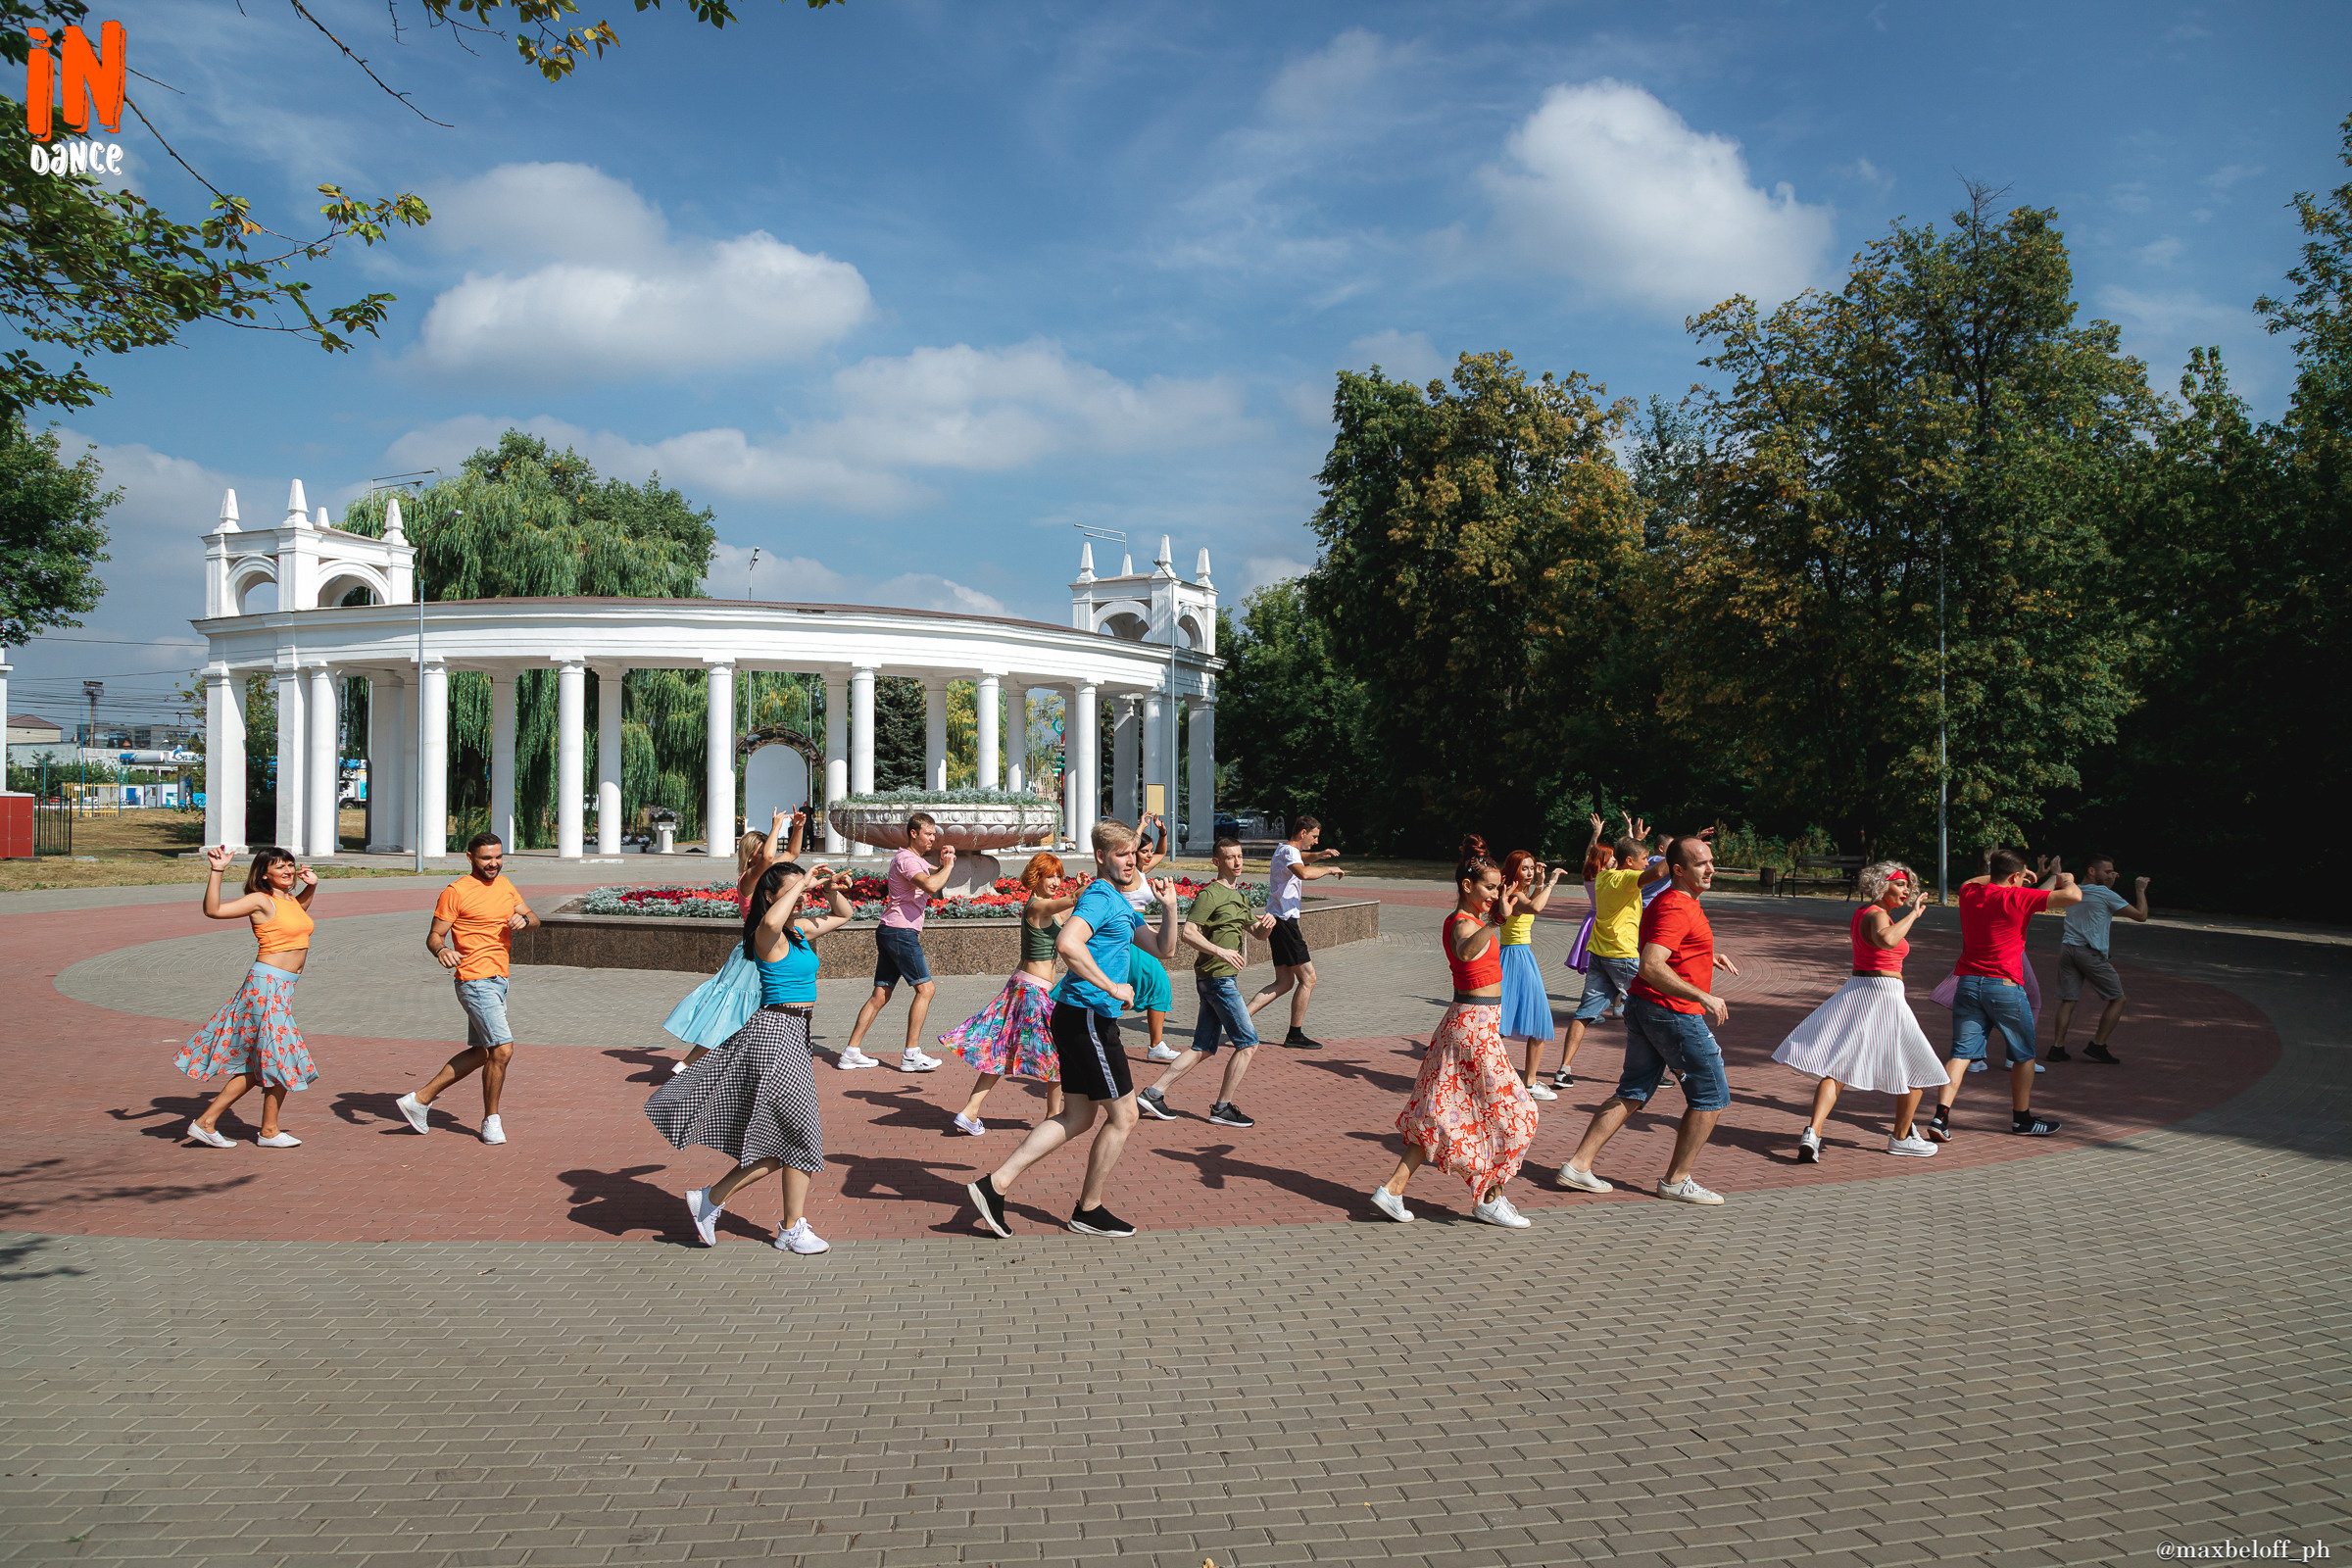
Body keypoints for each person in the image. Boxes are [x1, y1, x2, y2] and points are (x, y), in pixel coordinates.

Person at [964, 818, 1183, 1240]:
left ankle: (994, 1186)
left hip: (1083, 1017)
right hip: (1087, 1017)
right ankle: (1089, 1209)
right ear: (1101, 856)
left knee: (1078, 1115)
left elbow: (1164, 949)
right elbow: (1067, 944)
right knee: (1125, 1116)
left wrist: (1170, 906)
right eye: (1121, 853)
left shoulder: (1121, 903)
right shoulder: (1100, 897)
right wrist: (1112, 984)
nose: (1130, 860)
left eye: (1134, 852)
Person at [649, 859, 857, 1254]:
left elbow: (842, 915)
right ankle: (779, 1223)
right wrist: (802, 885)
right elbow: (770, 924)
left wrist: (828, 888)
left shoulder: (797, 932)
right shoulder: (767, 937)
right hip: (775, 1034)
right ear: (769, 896)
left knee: (790, 1140)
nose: (802, 898)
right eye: (793, 891)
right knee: (800, 1135)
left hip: (795, 1034)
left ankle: (721, 1202)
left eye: (803, 891)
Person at [1556, 834, 1741, 1205]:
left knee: (1632, 1091)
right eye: (1702, 863)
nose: (1711, 869)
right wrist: (1703, 995)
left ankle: (1577, 1166)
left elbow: (1667, 947)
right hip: (1672, 1013)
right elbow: (1652, 964)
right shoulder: (1677, 906)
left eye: (1710, 861)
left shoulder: (1671, 902)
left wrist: (1706, 955)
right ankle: (1676, 1180)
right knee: (1712, 1097)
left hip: (1645, 1007)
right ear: (1679, 869)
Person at [1370, 836, 1542, 1227]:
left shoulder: (1478, 920)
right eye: (1488, 887)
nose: (1494, 894)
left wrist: (1505, 907)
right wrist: (1497, 920)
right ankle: (1490, 1197)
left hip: (1470, 1026)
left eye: (1497, 887)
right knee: (1519, 1111)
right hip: (1472, 1028)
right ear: (1467, 886)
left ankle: (1392, 1191)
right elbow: (1465, 951)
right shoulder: (1462, 923)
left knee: (1440, 1112)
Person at [1770, 861, 1946, 1160]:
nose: (1907, 891)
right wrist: (1914, 915)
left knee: (1838, 1067)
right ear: (1881, 885)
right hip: (1882, 995)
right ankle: (1901, 1138)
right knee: (1918, 1066)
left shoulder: (1864, 913)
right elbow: (1887, 940)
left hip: (1859, 991)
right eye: (1900, 884)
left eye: (1907, 886)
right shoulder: (1878, 916)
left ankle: (1812, 1133)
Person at [1925, 849, 2082, 1142]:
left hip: (1969, 984)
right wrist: (2065, 878)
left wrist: (2012, 874)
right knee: (2024, 1055)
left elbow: (1975, 880)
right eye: (2021, 877)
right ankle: (2021, 1119)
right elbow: (2073, 897)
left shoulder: (1970, 893)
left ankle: (1940, 1116)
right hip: (2005, 986)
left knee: (1961, 1053)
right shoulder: (2019, 898)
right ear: (2015, 877)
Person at [395, 833, 539, 1144]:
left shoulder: (505, 885)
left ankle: (419, 1101)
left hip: (499, 978)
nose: (494, 863)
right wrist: (441, 950)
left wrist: (523, 920)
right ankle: (492, 1121)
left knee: (481, 1052)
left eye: (498, 857)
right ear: (470, 857)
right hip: (474, 980)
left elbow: (534, 918)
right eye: (487, 858)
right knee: (502, 1049)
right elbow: (434, 936)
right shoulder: (456, 891)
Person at [175, 845, 320, 1148]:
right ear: (265, 874)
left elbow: (297, 915)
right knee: (281, 1057)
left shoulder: (288, 899)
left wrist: (312, 887)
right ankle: (265, 1131)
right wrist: (217, 870)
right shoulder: (260, 900)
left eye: (290, 865)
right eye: (280, 867)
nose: (288, 871)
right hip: (265, 987)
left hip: (282, 989)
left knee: (260, 1064)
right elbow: (213, 911)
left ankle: (212, 1123)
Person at [1138, 835, 1277, 1127]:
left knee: (1203, 1047)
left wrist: (1267, 926)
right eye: (1230, 857)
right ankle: (1222, 1108)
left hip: (1220, 979)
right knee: (1249, 1044)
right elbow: (1189, 932)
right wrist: (1220, 951)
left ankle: (1153, 1093)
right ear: (1217, 862)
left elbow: (1256, 932)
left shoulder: (1240, 897)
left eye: (1240, 856)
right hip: (1217, 979)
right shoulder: (1209, 894)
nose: (1237, 862)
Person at [662, 808, 807, 1074]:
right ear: (751, 854)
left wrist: (797, 827)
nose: (770, 855)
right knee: (734, 1012)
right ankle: (687, 1065)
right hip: (755, 954)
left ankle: (741, 1063)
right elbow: (768, 857)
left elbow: (794, 854)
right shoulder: (749, 879)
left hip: (767, 949)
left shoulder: (766, 877)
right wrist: (775, 826)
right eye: (763, 850)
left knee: (753, 1011)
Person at [941, 853, 1074, 1134]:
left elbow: (1069, 911)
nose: (1056, 881)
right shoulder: (1036, 908)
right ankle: (1053, 1117)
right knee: (1059, 1051)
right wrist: (1098, 884)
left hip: (1026, 988)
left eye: (1058, 876)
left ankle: (970, 1111)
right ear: (1036, 878)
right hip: (1032, 992)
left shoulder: (1047, 909)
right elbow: (1071, 902)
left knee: (1000, 1051)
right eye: (1049, 875)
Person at [1555, 814, 1671, 1091]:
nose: (1648, 862)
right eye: (1643, 859)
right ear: (1630, 863)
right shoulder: (1626, 878)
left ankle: (1564, 1069)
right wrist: (1680, 850)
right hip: (1622, 955)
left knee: (1584, 1013)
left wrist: (1636, 842)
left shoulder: (1605, 876)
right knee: (1657, 1006)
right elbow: (1657, 873)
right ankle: (1674, 1068)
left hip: (1599, 953)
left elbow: (1626, 857)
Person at [837, 811, 956, 1073]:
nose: (932, 839)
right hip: (900, 932)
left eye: (934, 834)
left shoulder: (913, 860)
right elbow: (931, 884)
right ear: (913, 833)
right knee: (926, 990)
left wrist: (945, 862)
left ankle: (851, 1052)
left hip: (892, 930)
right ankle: (911, 1054)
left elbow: (933, 873)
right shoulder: (906, 859)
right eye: (928, 834)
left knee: (881, 994)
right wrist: (946, 867)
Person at [1249, 814, 1346, 1049]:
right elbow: (1303, 872)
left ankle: (1237, 1018)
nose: (1315, 842)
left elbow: (1302, 858)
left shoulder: (1285, 850)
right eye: (1314, 837)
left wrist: (1319, 855)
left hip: (1279, 920)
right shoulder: (1289, 853)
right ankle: (1295, 1034)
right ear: (1303, 832)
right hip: (1284, 922)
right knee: (1309, 978)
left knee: (1283, 982)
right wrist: (1329, 869)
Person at [2048, 857, 2150, 1065]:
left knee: (2068, 1000)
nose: (2112, 874)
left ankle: (2057, 1048)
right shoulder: (2105, 894)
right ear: (2092, 871)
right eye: (2107, 871)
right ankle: (2098, 1045)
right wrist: (2140, 889)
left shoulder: (2073, 890)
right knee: (2118, 999)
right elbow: (2141, 916)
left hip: (2068, 949)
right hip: (2090, 954)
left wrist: (2057, 873)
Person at [1495, 850, 1570, 1098]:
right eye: (1524, 868)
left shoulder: (1515, 893)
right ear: (1514, 870)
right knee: (1532, 1021)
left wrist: (1539, 883)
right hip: (1516, 959)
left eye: (1531, 868)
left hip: (1518, 957)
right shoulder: (1514, 895)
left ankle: (1528, 1080)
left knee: (1504, 1024)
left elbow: (1531, 905)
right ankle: (1528, 1082)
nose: (1528, 872)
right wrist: (1550, 884)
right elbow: (1535, 908)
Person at [1132, 813, 1183, 1063]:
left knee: (1154, 985)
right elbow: (1134, 845)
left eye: (1149, 851)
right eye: (1144, 851)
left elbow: (1161, 853)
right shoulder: (1127, 873)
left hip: (1139, 933)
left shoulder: (1140, 870)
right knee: (1158, 982)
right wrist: (1141, 827)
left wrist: (1162, 834)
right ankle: (1155, 1045)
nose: (1150, 855)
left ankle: (1155, 1044)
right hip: (1128, 935)